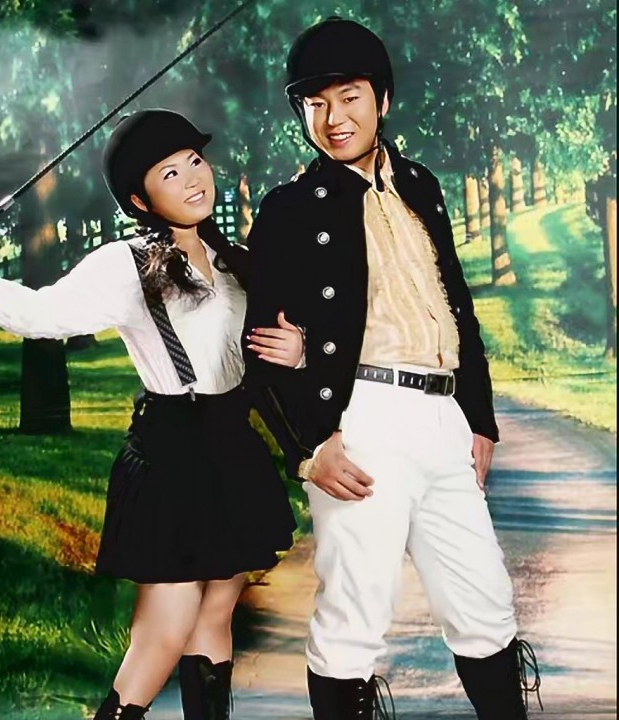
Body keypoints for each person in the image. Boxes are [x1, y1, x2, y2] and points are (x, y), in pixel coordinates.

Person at [0, 109, 301, 720]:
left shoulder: (234, 261)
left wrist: (300, 349)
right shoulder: (125, 264)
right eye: (169, 173)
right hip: (171, 453)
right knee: (164, 629)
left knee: (215, 614)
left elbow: (269, 352)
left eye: (195, 162)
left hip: (232, 448)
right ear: (139, 198)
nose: (193, 179)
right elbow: (41, 315)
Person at [243, 17, 541, 720]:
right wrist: (308, 447)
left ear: (382, 99)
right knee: (354, 615)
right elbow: (261, 349)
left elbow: (457, 307)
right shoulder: (289, 208)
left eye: (349, 97)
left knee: (485, 605)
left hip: (444, 419)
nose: (333, 119)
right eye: (315, 104)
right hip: (362, 421)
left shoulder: (421, 185)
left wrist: (480, 419)